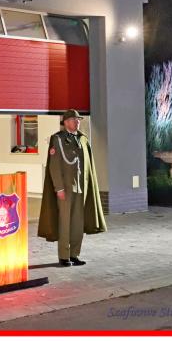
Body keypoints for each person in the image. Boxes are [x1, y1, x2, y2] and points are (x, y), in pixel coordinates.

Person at [37, 109, 106, 267]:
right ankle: (64, 255)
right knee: (65, 222)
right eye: (74, 120)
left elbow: (88, 165)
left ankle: (74, 254)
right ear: (66, 122)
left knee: (77, 223)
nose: (77, 122)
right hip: (66, 189)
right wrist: (59, 188)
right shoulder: (58, 139)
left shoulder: (83, 139)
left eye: (78, 120)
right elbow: (54, 166)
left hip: (81, 188)